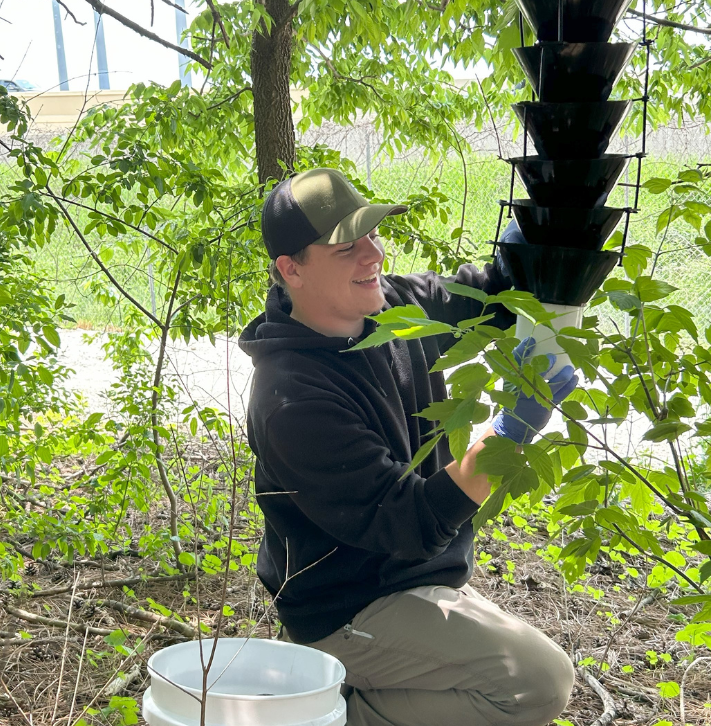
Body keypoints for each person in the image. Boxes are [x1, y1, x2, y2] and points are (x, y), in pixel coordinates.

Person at [238, 168, 578, 726]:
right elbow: (411, 523)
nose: (372, 254)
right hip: (348, 604)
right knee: (540, 684)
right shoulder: (292, 399)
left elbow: (488, 298)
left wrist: (543, 230)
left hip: (413, 577)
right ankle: (326, 714)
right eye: (347, 246)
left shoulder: (391, 308)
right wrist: (511, 430)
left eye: (372, 234)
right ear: (290, 268)